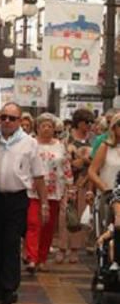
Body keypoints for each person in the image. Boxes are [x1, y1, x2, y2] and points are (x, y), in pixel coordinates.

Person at [0, 102, 48, 304]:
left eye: (11, 118)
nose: (6, 121)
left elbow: (39, 175)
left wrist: (44, 203)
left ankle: (9, 288)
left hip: (17, 198)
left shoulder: (29, 143)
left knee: (11, 243)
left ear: (20, 121)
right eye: (3, 117)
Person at [25, 113, 74, 273]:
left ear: (54, 129)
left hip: (54, 190)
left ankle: (42, 258)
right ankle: (32, 257)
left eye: (50, 126)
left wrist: (70, 186)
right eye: (43, 126)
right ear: (37, 128)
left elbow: (66, 166)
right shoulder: (30, 144)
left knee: (48, 226)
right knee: (33, 223)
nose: (47, 129)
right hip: (33, 190)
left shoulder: (60, 145)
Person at [57, 107, 94, 264]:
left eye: (91, 122)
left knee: (79, 217)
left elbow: (96, 161)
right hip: (68, 182)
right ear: (78, 123)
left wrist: (86, 162)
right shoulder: (66, 139)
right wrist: (73, 164)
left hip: (85, 182)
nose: (90, 125)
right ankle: (62, 248)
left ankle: (75, 250)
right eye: (87, 122)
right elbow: (61, 160)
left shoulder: (93, 140)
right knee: (65, 216)